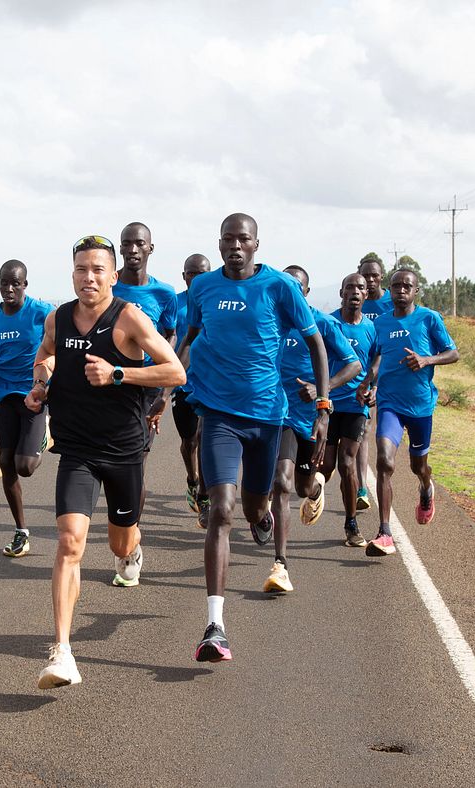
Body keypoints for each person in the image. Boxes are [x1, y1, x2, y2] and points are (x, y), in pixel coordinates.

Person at [28, 234, 185, 689]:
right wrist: (40, 383)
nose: (89, 277)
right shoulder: (57, 319)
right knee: (69, 542)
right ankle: (62, 651)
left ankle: (132, 548)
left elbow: (176, 371)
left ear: (113, 276)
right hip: (76, 449)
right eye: (81, 269)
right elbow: (44, 356)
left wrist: (118, 373)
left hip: (123, 451)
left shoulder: (129, 318)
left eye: (98, 269)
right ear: (72, 274)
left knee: (119, 543)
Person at [176, 213, 330, 662]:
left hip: (268, 419)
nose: (235, 246)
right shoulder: (203, 289)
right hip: (219, 416)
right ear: (219, 244)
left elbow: (317, 343)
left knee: (254, 505)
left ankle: (262, 520)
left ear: (257, 244)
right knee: (220, 510)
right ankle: (215, 626)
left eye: (244, 239)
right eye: (228, 239)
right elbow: (187, 337)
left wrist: (323, 405)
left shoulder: (279, 287)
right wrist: (169, 385)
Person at [267, 265, 360, 593]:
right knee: (280, 482)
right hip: (277, 417)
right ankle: (280, 564)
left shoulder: (322, 324)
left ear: (305, 293)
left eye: (297, 287)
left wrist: (323, 391)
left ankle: (317, 489)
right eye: (286, 286)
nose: (290, 292)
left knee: (303, 488)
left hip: (310, 419)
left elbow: (354, 364)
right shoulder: (269, 320)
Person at [366, 268, 460, 556]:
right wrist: (369, 385)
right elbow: (373, 359)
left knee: (418, 466)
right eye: (396, 286)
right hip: (390, 403)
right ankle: (384, 532)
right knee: (384, 461)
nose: (401, 290)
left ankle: (425, 487)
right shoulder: (379, 323)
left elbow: (452, 353)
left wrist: (426, 359)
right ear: (389, 289)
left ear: (416, 290)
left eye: (407, 286)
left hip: (420, 406)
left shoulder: (429, 318)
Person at [0, 260, 53, 558]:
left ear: (25, 285)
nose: (9, 288)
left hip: (33, 395)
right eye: (4, 283)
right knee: (6, 462)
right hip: (4, 395)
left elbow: (58, 348)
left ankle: (43, 436)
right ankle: (21, 531)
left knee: (25, 467)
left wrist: (51, 384)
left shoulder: (41, 313)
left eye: (15, 283)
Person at [112, 222, 178, 513]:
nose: (133, 249)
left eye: (139, 243)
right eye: (127, 243)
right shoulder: (108, 287)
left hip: (147, 386)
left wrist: (164, 389)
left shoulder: (164, 293)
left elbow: (171, 333)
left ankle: (130, 532)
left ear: (150, 248)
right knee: (109, 459)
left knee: (136, 459)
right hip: (109, 382)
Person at [319, 272, 380, 547]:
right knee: (327, 465)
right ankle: (315, 491)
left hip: (356, 407)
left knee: (347, 463)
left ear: (366, 294)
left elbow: (376, 359)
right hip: (329, 405)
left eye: (360, 288)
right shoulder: (329, 323)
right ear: (341, 293)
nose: (355, 291)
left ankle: (351, 524)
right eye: (350, 287)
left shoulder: (371, 328)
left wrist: (373, 388)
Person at [171, 253, 211, 526]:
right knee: (190, 442)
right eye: (191, 273)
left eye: (201, 273)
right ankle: (192, 478)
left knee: (205, 437)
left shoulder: (216, 299)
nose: (195, 278)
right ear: (184, 276)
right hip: (181, 382)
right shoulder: (174, 303)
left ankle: (205, 496)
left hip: (211, 382)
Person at [352, 252, 392, 513]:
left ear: (381, 277)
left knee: (370, 431)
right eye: (366, 275)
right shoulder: (357, 299)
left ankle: (363, 486)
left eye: (374, 275)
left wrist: (378, 383)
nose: (370, 279)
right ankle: (360, 487)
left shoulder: (391, 302)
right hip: (359, 375)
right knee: (360, 430)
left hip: (386, 374)